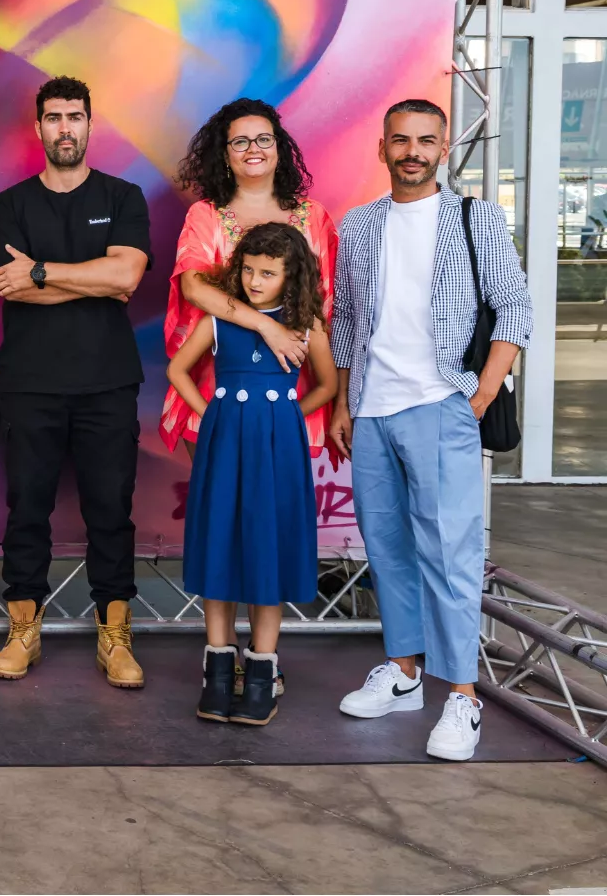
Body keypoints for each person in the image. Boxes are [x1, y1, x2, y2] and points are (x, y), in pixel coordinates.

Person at [328, 98, 530, 762]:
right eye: (400, 140)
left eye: (425, 140)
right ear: (382, 147)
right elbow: (349, 322)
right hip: (374, 410)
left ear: (444, 148)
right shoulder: (358, 226)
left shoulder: (475, 217)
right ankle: (406, 674)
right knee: (386, 552)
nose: (412, 150)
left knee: (450, 555)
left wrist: (479, 395)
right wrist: (343, 403)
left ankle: (463, 698)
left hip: (441, 405)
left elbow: (514, 306)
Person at [0, 76, 152, 688]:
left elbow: (126, 277)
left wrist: (42, 274)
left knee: (111, 510)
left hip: (107, 382)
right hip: (30, 381)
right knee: (27, 507)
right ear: (38, 128)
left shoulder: (125, 195)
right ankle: (23, 629)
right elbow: (9, 284)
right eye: (53, 117)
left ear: (89, 124)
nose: (64, 128)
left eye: (74, 117)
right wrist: (86, 276)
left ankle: (115, 635)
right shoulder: (10, 205)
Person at [166, 223, 338, 726]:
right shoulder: (218, 320)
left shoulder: (307, 323)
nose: (255, 281)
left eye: (268, 273)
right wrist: (210, 412)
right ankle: (218, 672)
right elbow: (179, 369)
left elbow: (327, 385)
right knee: (221, 546)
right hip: (224, 445)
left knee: (269, 549)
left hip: (277, 450)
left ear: (292, 276)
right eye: (247, 270)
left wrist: (286, 415)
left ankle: (261, 673)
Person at [162, 98, 339, 458]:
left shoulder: (314, 216)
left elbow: (329, 302)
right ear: (224, 155)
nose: (253, 149)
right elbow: (192, 286)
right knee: (219, 504)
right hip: (217, 386)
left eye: (263, 139)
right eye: (240, 142)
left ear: (279, 146)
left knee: (277, 506)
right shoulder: (206, 216)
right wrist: (265, 325)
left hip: (292, 387)